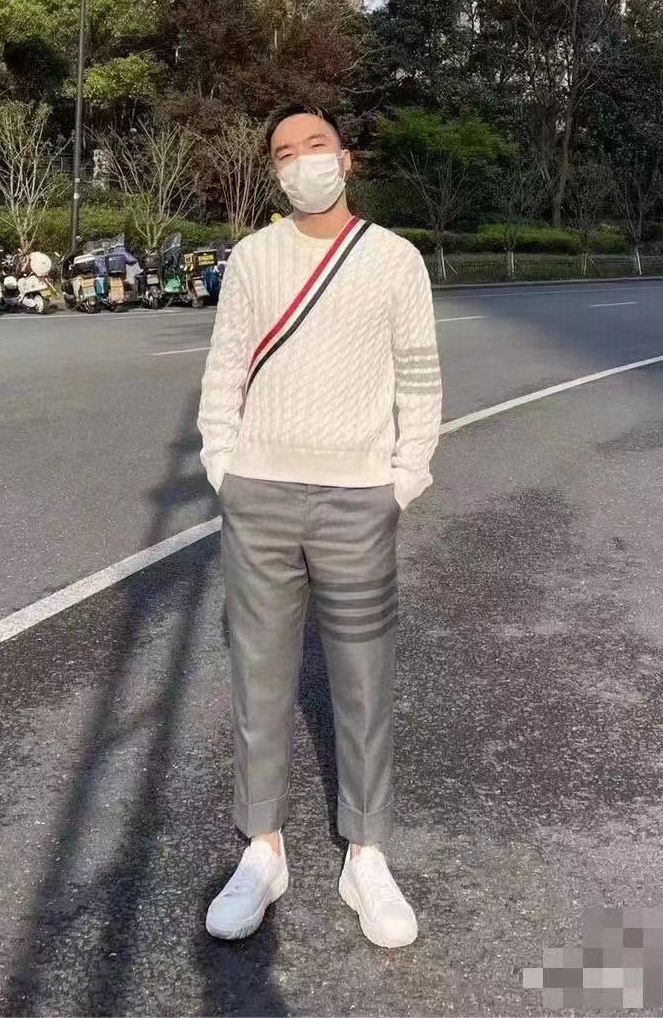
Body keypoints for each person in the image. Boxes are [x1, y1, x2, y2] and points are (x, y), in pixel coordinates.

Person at [197, 104, 442, 950]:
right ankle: (262, 850)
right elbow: (225, 367)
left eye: (316, 146)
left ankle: (365, 855)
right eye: (284, 153)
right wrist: (224, 466)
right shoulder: (252, 257)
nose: (302, 161)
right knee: (259, 677)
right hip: (259, 494)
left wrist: (402, 481)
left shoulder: (395, 258)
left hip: (357, 501)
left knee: (364, 680)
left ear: (346, 158)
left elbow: (420, 379)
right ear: (275, 173)